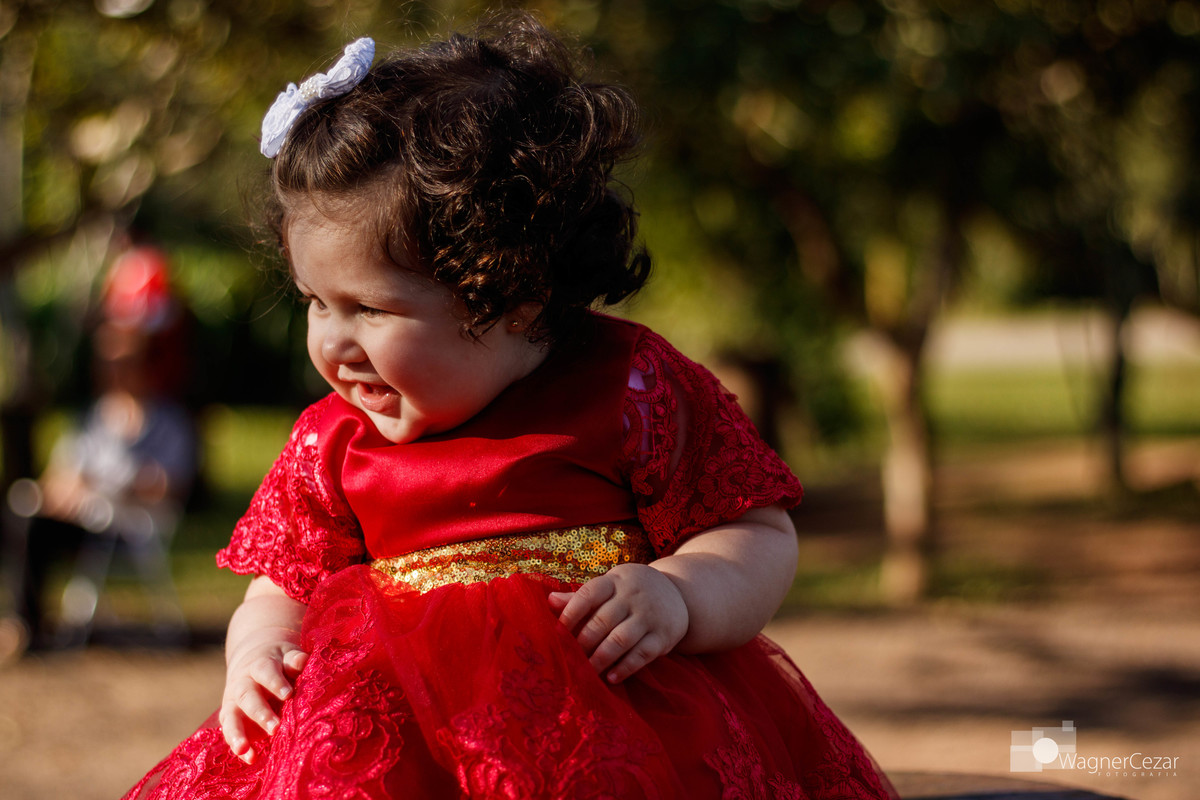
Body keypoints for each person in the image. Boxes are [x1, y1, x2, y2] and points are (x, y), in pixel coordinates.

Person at [124, 14, 897, 799]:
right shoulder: (331, 442)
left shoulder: (626, 387)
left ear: (513, 297)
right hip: (394, 756)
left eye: (372, 309)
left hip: (614, 739)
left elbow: (755, 531)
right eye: (315, 302)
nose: (333, 341)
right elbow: (280, 588)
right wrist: (257, 649)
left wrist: (683, 593)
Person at [1, 244, 197, 653]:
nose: (112, 374)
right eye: (107, 365)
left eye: (122, 364)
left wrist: (110, 484)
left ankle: (25, 627)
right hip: (84, 520)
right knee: (21, 519)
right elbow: (58, 477)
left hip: (126, 526)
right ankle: (23, 622)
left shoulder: (168, 422)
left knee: (32, 528)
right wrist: (66, 489)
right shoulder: (94, 419)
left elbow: (171, 485)